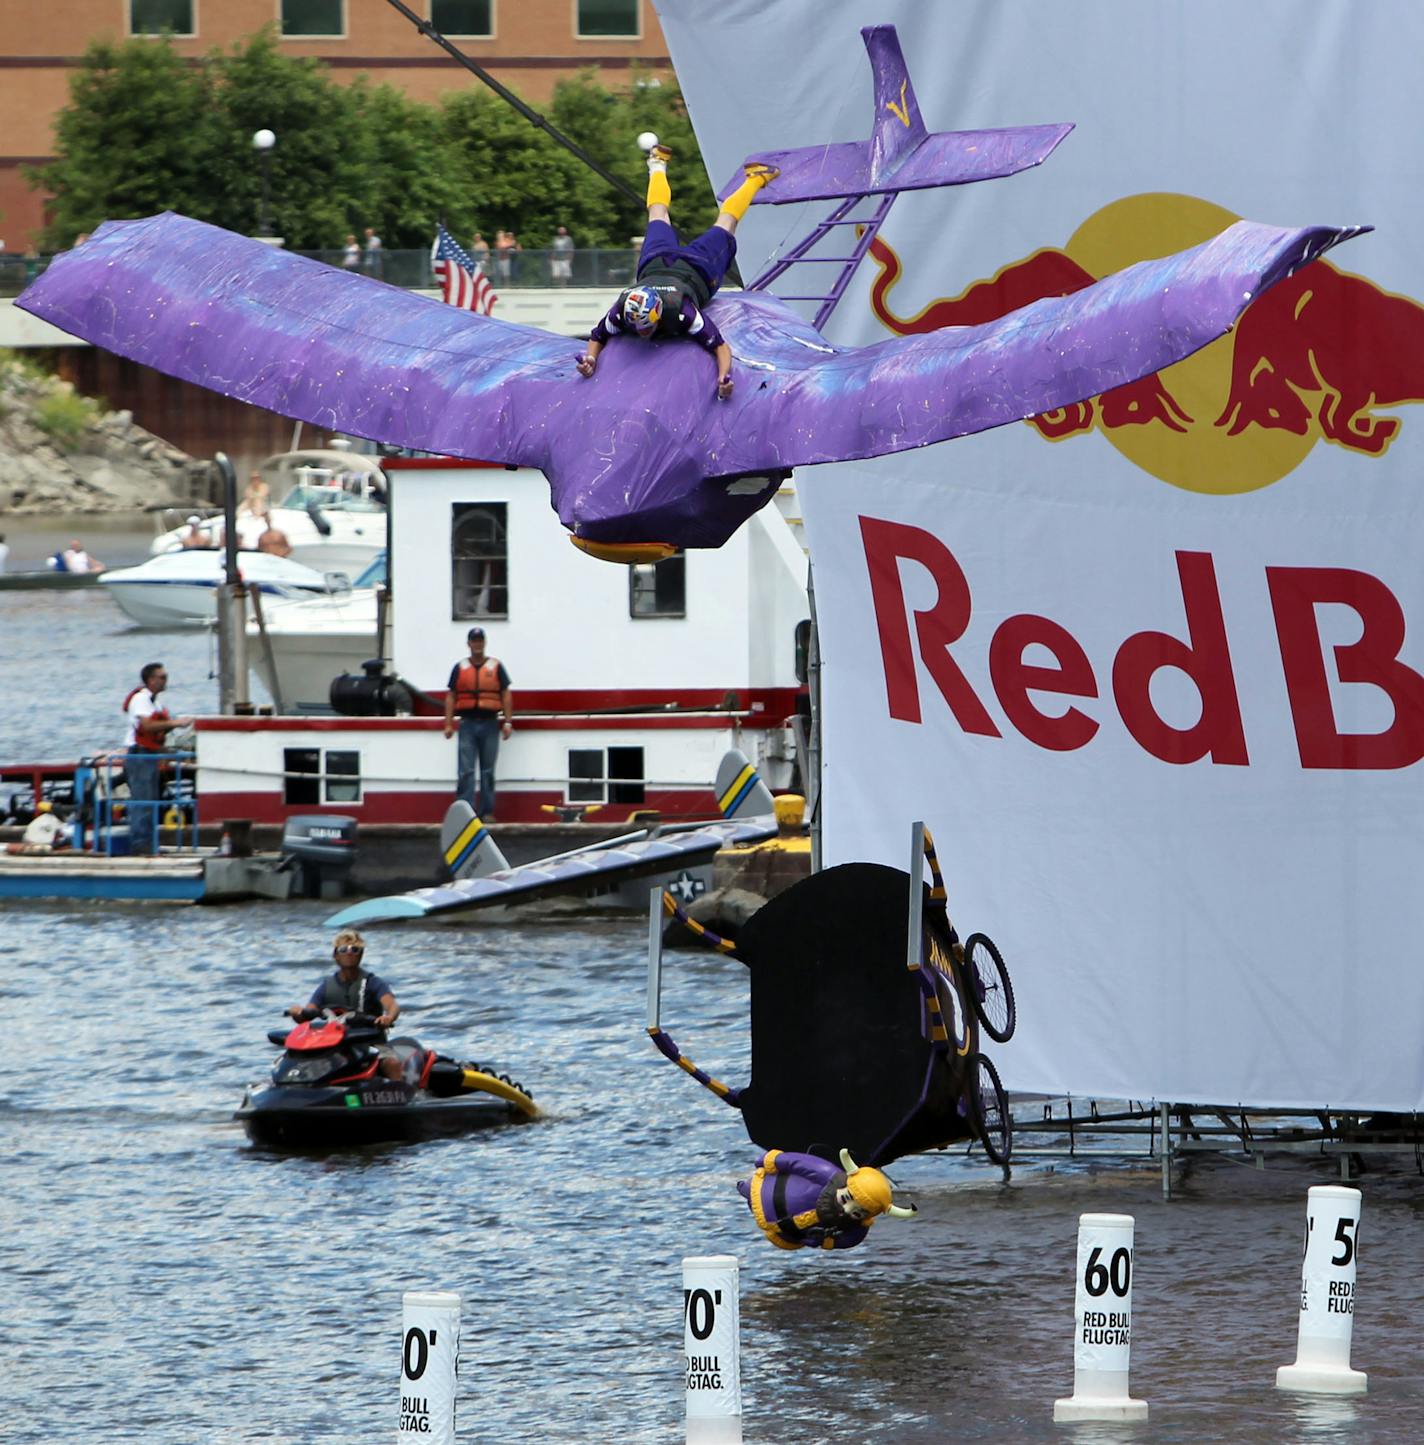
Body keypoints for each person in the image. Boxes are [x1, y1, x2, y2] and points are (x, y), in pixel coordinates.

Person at [577, 146, 778, 401]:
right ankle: (657, 164)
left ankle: (756, 178)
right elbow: (597, 337)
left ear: (658, 312)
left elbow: (720, 347)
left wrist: (724, 377)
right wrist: (590, 359)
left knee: (726, 223)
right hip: (657, 265)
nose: (641, 334)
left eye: (647, 328)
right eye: (638, 328)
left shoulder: (682, 311)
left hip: (696, 268)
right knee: (657, 214)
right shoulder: (624, 309)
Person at [737, 1147, 916, 1251]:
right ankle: (744, 1189)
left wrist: (823, 1241)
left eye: (857, 1212)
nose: (845, 1210)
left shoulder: (856, 1226)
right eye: (846, 1199)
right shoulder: (825, 1174)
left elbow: (849, 1240)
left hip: (781, 1233)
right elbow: (797, 1163)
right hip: (761, 1189)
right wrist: (770, 1161)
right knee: (746, 1189)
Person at [288, 930, 402, 1081]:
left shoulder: (372, 982)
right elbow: (308, 1014)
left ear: (361, 955)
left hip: (370, 1042)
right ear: (336, 955)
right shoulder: (327, 986)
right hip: (337, 1045)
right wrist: (298, 1013)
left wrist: (388, 1017)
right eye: (343, 950)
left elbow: (392, 1005)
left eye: (355, 950)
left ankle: (403, 1094)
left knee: (391, 1063)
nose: (349, 953)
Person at [122, 662, 192, 856]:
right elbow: (147, 726)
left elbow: (158, 729)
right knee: (142, 800)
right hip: (139, 755)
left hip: (150, 755)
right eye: (162, 677)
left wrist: (169, 743)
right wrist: (176, 722)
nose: (165, 680)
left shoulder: (156, 703)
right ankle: (140, 843)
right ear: (151, 680)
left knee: (152, 799)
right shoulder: (141, 699)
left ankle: (149, 843)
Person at [443, 626, 513, 820]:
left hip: (490, 723)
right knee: (466, 770)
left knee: (488, 771)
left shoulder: (496, 667)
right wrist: (448, 723)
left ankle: (487, 811)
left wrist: (508, 722)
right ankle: (465, 812)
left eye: (480, 641)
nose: (477, 644)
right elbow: (451, 696)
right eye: (474, 641)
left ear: (484, 643)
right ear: (469, 644)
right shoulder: (460, 668)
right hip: (467, 724)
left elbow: (506, 694)